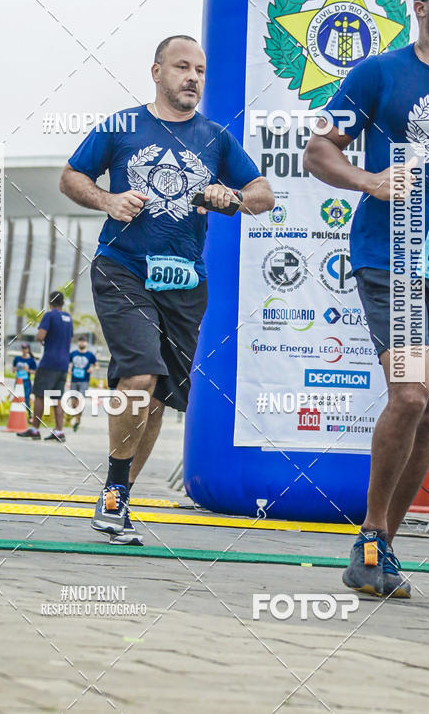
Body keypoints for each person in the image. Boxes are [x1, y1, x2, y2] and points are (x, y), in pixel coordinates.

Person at [304, 0, 429, 599]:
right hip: (392, 253)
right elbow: (317, 151)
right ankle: (368, 535)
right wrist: (369, 181)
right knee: (411, 394)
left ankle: (379, 544)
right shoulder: (380, 74)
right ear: (420, 8)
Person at [60, 34, 274, 544]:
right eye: (183, 67)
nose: (193, 78)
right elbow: (71, 176)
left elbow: (264, 193)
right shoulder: (122, 126)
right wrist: (108, 200)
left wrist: (233, 198)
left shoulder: (215, 138)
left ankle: (119, 500)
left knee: (158, 396)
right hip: (123, 267)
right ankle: (113, 493)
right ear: (156, 72)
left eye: (200, 70)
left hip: (183, 282)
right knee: (139, 377)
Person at [17, 291, 73, 442]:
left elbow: (41, 336)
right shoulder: (69, 318)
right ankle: (59, 431)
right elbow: (69, 338)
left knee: (40, 395)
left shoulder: (49, 315)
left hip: (49, 362)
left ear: (50, 302)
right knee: (57, 397)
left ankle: (35, 429)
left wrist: (40, 338)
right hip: (63, 363)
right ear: (62, 303)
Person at [68, 336, 97, 432]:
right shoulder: (73, 353)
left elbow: (96, 365)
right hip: (74, 380)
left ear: (86, 344)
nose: (82, 343)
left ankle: (77, 420)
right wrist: (69, 369)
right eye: (80, 341)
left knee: (80, 400)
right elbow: (68, 362)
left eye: (84, 342)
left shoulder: (90, 355)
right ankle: (77, 416)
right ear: (78, 343)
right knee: (73, 402)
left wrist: (92, 368)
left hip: (84, 381)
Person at [12, 342, 37, 421]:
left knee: (26, 399)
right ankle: (17, 416)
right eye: (23, 348)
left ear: (28, 350)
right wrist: (14, 369)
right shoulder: (17, 359)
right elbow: (13, 370)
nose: (24, 350)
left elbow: (35, 372)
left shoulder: (31, 360)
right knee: (17, 398)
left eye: (25, 348)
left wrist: (28, 370)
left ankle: (30, 415)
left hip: (26, 382)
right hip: (18, 381)